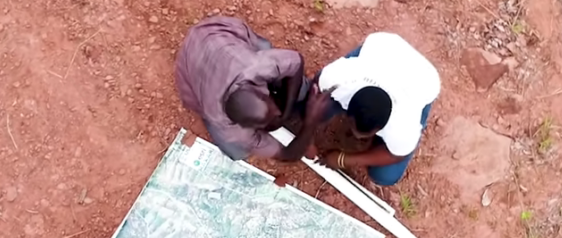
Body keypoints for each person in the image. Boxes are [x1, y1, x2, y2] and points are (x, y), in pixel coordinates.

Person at [175, 16, 331, 162]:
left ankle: (281, 97)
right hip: (191, 60)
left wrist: (284, 114)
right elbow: (286, 155)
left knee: (299, 87)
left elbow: (296, 63)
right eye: (266, 121)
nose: (277, 113)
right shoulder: (231, 128)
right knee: (237, 152)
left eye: (272, 108)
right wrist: (310, 122)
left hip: (212, 32)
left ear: (255, 87)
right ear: (244, 126)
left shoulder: (254, 68)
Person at [315, 32, 441, 186]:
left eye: (366, 135)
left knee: (384, 176)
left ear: (381, 128)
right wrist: (306, 137)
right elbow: (315, 89)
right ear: (348, 108)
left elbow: (396, 155)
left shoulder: (402, 126)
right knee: (315, 108)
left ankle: (380, 143)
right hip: (383, 48)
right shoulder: (340, 79)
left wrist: (344, 159)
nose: (358, 138)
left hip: (422, 80)